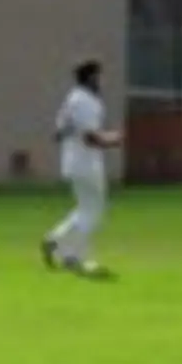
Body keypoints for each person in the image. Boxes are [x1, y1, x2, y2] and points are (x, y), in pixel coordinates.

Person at [42, 58, 122, 277]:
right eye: (99, 76)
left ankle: (54, 240)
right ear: (91, 77)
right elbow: (91, 137)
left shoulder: (70, 100)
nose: (101, 81)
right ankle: (73, 257)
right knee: (94, 211)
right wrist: (113, 139)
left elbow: (58, 133)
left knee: (84, 208)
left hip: (71, 161)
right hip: (87, 162)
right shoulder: (86, 101)